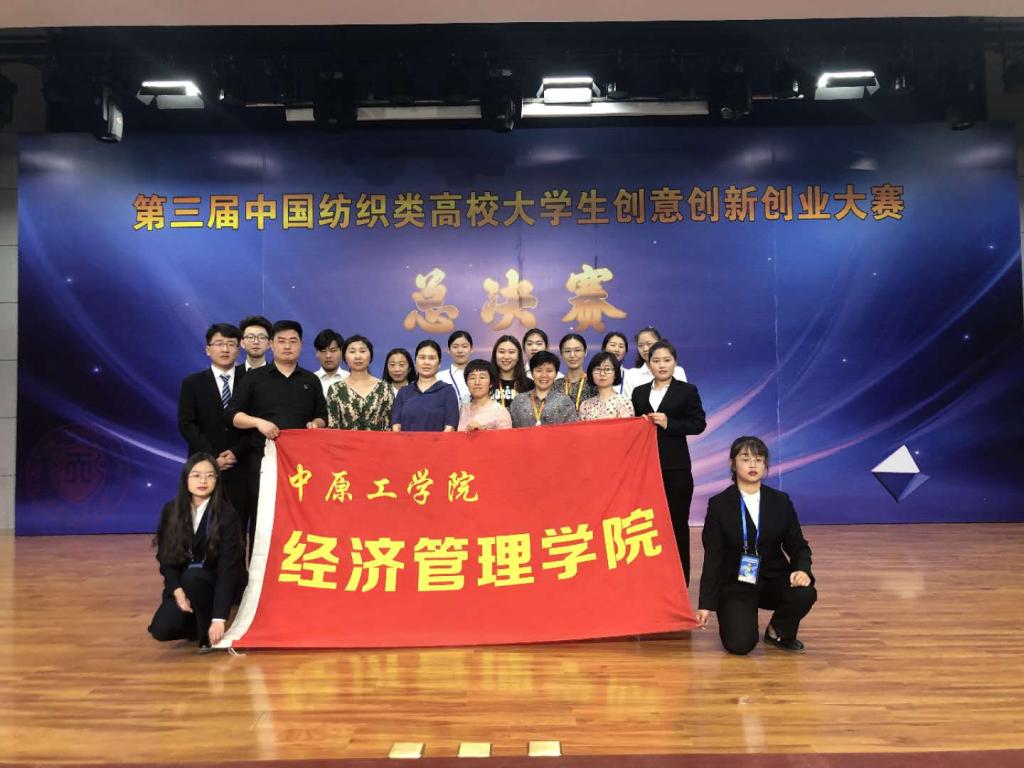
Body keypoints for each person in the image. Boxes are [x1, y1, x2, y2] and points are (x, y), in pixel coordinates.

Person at [697, 436, 816, 655]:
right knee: (739, 645)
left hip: (773, 578)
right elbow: (713, 556)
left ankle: (778, 631)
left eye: (759, 460)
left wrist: (802, 569)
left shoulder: (780, 501)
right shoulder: (719, 505)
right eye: (745, 459)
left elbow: (798, 544)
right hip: (736, 583)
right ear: (733, 464)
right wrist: (705, 603)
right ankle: (739, 618)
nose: (753, 465)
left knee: (804, 592)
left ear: (765, 465)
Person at [227, 320, 327, 543]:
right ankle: (258, 566)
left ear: (301, 345)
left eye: (293, 341)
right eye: (281, 341)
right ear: (271, 344)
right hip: (262, 462)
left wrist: (316, 424)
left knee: (299, 520)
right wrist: (258, 423)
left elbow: (322, 416)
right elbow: (233, 416)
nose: (287, 346)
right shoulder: (254, 377)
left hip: (301, 466)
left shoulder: (310, 380)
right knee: (262, 518)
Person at [148, 453, 244, 651]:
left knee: (194, 576)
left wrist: (219, 618)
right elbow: (165, 558)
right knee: (161, 629)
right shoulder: (171, 510)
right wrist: (176, 590)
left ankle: (207, 631)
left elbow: (228, 569)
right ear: (186, 478)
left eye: (210, 475)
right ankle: (196, 623)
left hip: (213, 581)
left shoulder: (227, 514)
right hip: (185, 583)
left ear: (217, 480)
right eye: (196, 475)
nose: (203, 481)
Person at [631, 339, 706, 584]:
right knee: (646, 527)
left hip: (676, 469)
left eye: (667, 360)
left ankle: (680, 582)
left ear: (675, 362)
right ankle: (652, 581)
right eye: (656, 361)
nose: (661, 365)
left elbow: (698, 424)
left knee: (676, 525)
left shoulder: (687, 391)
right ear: (648, 363)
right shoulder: (639, 392)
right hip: (645, 470)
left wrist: (668, 423)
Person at [177, 323, 249, 523]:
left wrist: (236, 452)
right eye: (219, 344)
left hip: (241, 464)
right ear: (208, 349)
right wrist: (212, 457)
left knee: (237, 524)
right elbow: (186, 423)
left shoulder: (250, 381)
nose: (225, 349)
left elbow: (255, 422)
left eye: (231, 344)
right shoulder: (192, 383)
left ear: (238, 349)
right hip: (203, 466)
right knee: (200, 523)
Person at [326, 335, 393, 431]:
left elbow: (389, 427)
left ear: (370, 356)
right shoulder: (335, 390)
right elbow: (333, 428)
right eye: (352, 352)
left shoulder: (385, 388)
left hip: (378, 441)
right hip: (344, 441)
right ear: (344, 357)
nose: (358, 356)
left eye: (362, 351)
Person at [392, 340, 459, 432]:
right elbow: (396, 426)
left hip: (438, 441)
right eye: (422, 357)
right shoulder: (404, 392)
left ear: (439, 364)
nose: (426, 362)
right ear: (415, 362)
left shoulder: (447, 391)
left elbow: (450, 427)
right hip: (406, 441)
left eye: (432, 358)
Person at [510, 351, 579, 427]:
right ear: (532, 373)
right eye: (539, 371)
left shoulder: (565, 401)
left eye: (549, 371)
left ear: (556, 374)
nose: (544, 375)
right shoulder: (519, 401)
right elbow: (511, 431)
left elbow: (573, 431)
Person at [622, 326, 688, 397]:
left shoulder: (677, 371)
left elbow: (685, 398)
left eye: (649, 344)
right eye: (640, 345)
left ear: (659, 343)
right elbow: (629, 402)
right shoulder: (631, 375)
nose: (645, 349)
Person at [458, 359, 513, 431]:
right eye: (472, 378)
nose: (477, 382)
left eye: (482, 377)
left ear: (491, 383)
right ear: (467, 383)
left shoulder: (500, 412)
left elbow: (506, 437)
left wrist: (483, 431)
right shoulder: (462, 410)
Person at [579, 351, 635, 421]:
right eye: (598, 369)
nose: (602, 373)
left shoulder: (624, 403)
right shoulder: (585, 405)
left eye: (607, 369)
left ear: (615, 374)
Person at [554, 333, 596, 411]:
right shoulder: (555, 386)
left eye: (577, 350)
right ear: (561, 354)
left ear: (585, 352)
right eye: (567, 351)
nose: (572, 355)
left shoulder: (594, 384)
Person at [490, 335, 533, 409]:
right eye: (502, 352)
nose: (506, 357)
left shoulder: (529, 385)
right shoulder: (486, 383)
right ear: (495, 355)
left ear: (518, 357)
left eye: (511, 352)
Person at [438, 330, 473, 406]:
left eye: (464, 346)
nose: (460, 351)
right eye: (455, 347)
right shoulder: (439, 377)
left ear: (471, 349)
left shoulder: (481, 376)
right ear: (448, 350)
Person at [312, 328, 348, 397]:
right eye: (323, 351)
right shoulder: (310, 381)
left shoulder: (350, 378)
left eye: (333, 350)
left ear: (342, 352)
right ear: (317, 353)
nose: (328, 355)